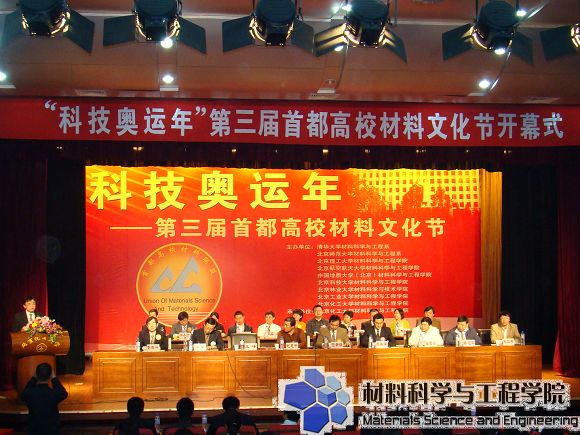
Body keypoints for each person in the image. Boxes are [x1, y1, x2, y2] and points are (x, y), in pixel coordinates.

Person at [21, 362, 68, 435]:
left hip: (34, 431)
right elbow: (63, 393)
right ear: (50, 376)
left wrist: (34, 378)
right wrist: (54, 378)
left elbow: (24, 393)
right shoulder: (54, 393)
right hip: (52, 431)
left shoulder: (30, 394)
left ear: (36, 374)